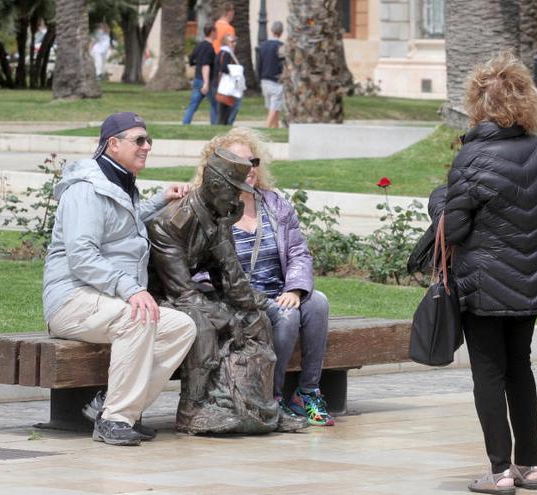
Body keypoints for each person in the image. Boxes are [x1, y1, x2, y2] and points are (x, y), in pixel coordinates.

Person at [440, 51, 537, 494]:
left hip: (482, 282)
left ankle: (500, 470)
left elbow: (456, 225)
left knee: (488, 371)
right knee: (521, 367)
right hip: (533, 278)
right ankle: (531, 465)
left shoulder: (471, 158)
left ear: (478, 103)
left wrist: (438, 200)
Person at [43, 112, 197, 446]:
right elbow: (82, 255)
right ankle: (115, 419)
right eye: (138, 140)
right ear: (113, 144)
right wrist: (131, 290)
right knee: (139, 316)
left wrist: (160, 200)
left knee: (181, 327)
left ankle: (110, 406)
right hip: (72, 299)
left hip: (103, 300)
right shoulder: (86, 189)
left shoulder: (117, 182)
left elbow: (119, 227)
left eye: (149, 140)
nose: (146, 146)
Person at [147, 146, 308, 435]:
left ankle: (262, 408)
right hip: (158, 297)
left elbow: (230, 280)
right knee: (203, 324)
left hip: (190, 293)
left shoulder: (216, 214)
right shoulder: (170, 224)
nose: (238, 198)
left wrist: (254, 305)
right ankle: (191, 410)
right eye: (234, 191)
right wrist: (225, 317)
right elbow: (182, 292)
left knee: (257, 318)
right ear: (216, 185)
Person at [211, 128, 334, 426]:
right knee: (287, 316)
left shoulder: (274, 204)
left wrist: (295, 289)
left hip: (278, 292)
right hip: (239, 299)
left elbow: (299, 253)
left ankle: (307, 392)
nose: (250, 169)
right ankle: (271, 398)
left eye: (253, 161)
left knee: (317, 302)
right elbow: (204, 268)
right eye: (241, 163)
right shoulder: (213, 210)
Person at [182, 26, 218, 125]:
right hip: (206, 81)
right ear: (212, 32)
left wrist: (198, 65)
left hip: (197, 79)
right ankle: (215, 124)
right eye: (216, 31)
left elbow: (191, 60)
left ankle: (185, 123)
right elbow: (206, 65)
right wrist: (206, 83)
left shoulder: (199, 46)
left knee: (193, 104)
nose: (217, 34)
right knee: (215, 104)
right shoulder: (209, 47)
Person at [257, 21, 286, 129]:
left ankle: (276, 128)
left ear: (272, 30)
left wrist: (259, 78)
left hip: (264, 80)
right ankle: (266, 128)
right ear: (281, 32)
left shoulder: (263, 46)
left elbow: (259, 64)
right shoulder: (281, 47)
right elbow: (283, 65)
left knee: (273, 107)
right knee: (273, 108)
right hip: (276, 81)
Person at [214, 34, 243, 126]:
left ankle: (223, 123)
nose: (234, 44)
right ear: (226, 43)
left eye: (235, 41)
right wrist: (235, 70)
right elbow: (224, 68)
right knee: (233, 105)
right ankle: (228, 123)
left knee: (223, 107)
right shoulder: (226, 53)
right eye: (232, 42)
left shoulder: (221, 52)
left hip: (222, 84)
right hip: (227, 84)